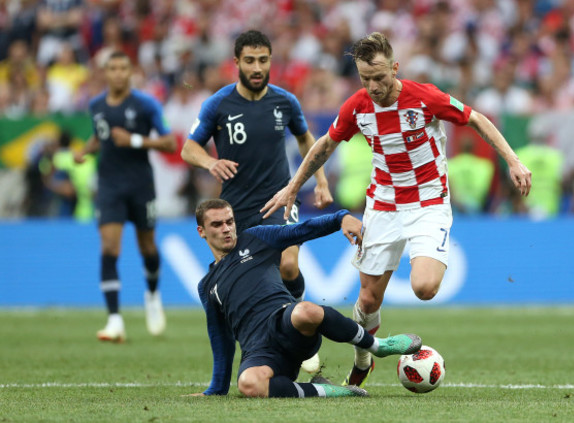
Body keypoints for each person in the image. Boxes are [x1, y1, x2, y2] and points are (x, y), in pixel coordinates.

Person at [262, 32, 532, 387]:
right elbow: (325, 145)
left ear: (395, 68)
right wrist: (293, 186)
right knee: (368, 298)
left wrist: (513, 160)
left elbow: (476, 118)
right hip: (384, 204)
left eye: (380, 77)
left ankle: (380, 348)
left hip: (429, 201)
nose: (373, 86)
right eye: (365, 79)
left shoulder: (424, 98)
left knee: (424, 287)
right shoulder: (357, 107)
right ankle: (363, 361)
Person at [181, 30, 333, 371]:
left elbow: (307, 139)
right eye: (249, 60)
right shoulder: (218, 104)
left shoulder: (285, 102)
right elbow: (188, 148)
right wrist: (210, 162)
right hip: (236, 209)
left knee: (289, 265)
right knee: (245, 284)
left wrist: (320, 180)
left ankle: (300, 327)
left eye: (263, 60)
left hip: (280, 198)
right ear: (236, 62)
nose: (257, 67)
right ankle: (266, 345)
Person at [189, 198, 422, 398]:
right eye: (217, 224)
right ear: (202, 231)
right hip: (259, 352)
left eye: (229, 222)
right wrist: (217, 389)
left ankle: (378, 346)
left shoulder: (255, 238)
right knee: (248, 384)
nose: (226, 229)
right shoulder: (208, 286)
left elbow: (302, 229)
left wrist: (340, 218)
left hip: (286, 323)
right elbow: (221, 339)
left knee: (305, 310)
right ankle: (335, 392)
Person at [76, 51, 176, 342]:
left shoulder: (146, 104)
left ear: (130, 72)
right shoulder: (95, 105)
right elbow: (101, 135)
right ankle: (114, 320)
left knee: (147, 247)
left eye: (123, 68)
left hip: (140, 185)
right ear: (105, 73)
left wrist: (133, 140)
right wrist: (85, 150)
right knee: (109, 248)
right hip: (108, 185)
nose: (118, 73)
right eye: (113, 68)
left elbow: (170, 142)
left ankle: (153, 295)